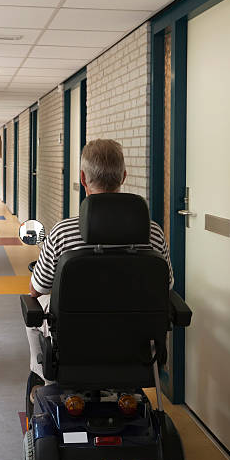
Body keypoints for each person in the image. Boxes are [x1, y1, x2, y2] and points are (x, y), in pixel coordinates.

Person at [26, 139, 173, 390]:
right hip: (137, 353)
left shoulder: (62, 233)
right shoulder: (153, 233)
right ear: (124, 177)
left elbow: (36, 290)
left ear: (83, 179)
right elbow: (166, 288)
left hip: (76, 350)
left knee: (35, 304)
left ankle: (45, 377)